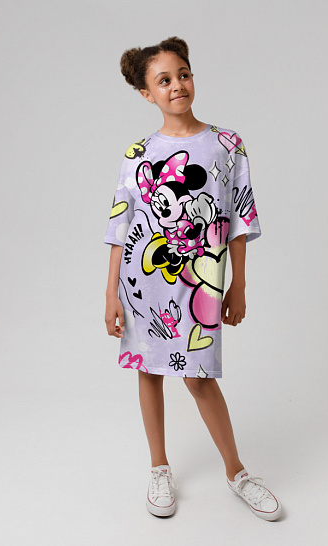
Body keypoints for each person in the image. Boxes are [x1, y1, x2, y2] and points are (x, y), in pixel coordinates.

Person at [104, 36, 282, 521]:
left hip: (200, 286)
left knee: (199, 378)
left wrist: (238, 284)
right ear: (147, 94)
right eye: (164, 80)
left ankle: (237, 472)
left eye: (183, 74)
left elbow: (239, 217)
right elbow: (121, 225)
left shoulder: (227, 144)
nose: (177, 85)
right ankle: (158, 467)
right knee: (149, 370)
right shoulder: (138, 153)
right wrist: (111, 294)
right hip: (144, 285)